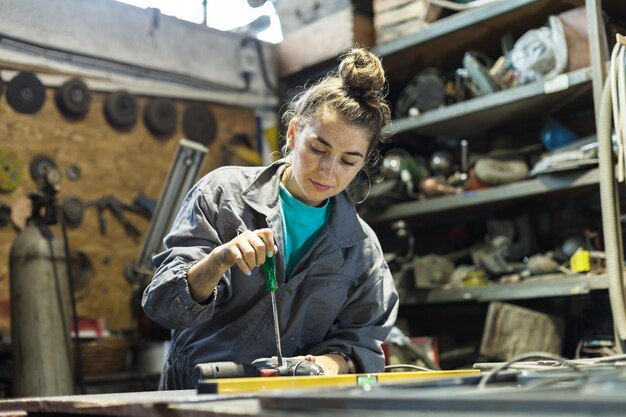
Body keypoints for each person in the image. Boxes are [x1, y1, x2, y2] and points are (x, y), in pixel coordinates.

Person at [142, 46, 399, 390]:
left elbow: (363, 343)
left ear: (363, 162)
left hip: (294, 405)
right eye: (318, 149)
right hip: (197, 396)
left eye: (348, 161)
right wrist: (220, 260)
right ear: (293, 134)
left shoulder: (361, 251)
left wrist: (326, 364)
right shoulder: (223, 195)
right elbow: (162, 306)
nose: (328, 170)